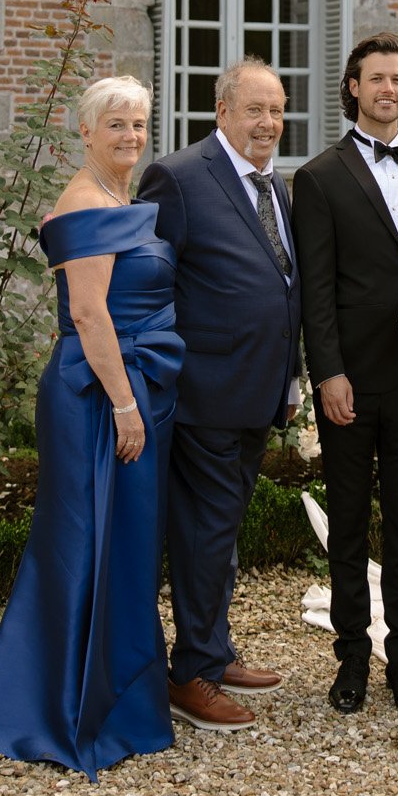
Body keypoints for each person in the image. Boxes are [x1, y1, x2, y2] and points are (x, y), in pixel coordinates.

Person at [0, 76, 184, 779]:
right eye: (116, 124)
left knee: (127, 544)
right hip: (96, 396)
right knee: (85, 541)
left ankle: (118, 698)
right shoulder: (84, 206)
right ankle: (61, 711)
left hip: (134, 386)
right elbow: (88, 315)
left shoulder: (124, 201)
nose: (130, 137)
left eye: (139, 124)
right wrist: (122, 403)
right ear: (84, 130)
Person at [138, 58, 301, 735]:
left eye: (276, 110)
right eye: (254, 110)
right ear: (222, 112)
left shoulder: (277, 187)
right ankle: (190, 675)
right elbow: (147, 283)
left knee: (223, 530)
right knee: (205, 533)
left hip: (260, 390)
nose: (267, 123)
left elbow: (282, 288)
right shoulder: (177, 178)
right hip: (205, 392)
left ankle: (214, 648)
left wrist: (290, 376)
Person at [292, 30, 398, 716]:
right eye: (377, 78)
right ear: (353, 87)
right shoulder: (319, 177)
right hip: (350, 381)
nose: (390, 89)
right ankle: (351, 659)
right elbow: (315, 290)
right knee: (349, 524)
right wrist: (327, 372)